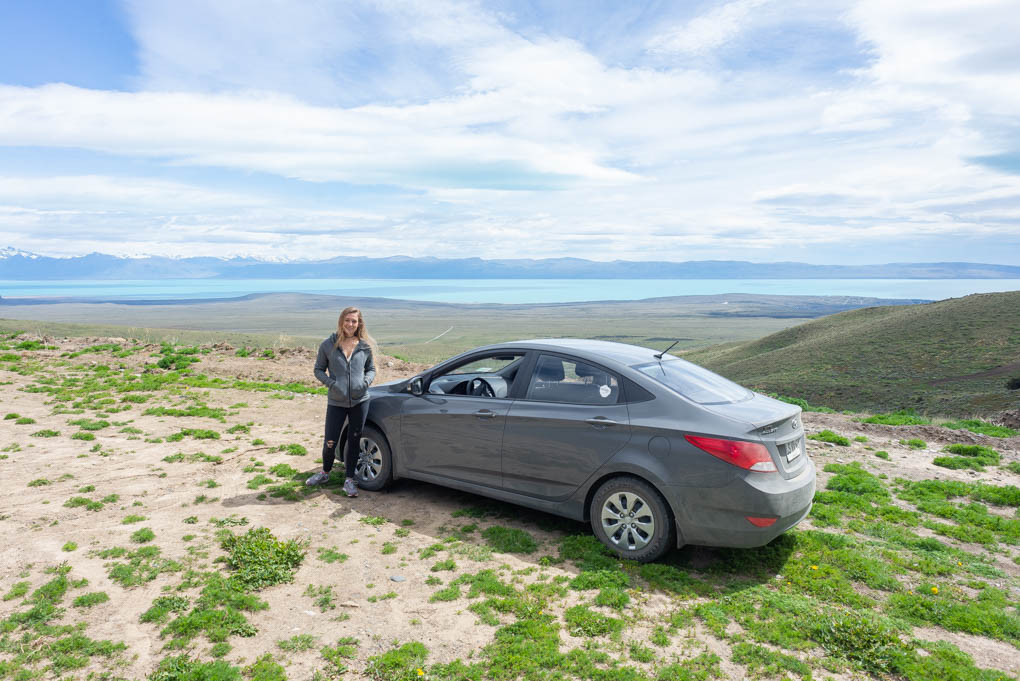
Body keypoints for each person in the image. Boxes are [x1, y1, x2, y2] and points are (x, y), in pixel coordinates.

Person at [306, 306, 376, 497]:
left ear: (359, 323)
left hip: (360, 401)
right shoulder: (328, 345)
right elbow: (318, 369)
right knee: (330, 440)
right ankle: (325, 473)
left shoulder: (364, 346)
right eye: (347, 320)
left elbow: (371, 369)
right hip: (336, 401)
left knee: (354, 441)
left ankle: (349, 480)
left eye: (354, 321)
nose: (350, 324)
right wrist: (332, 384)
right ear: (341, 321)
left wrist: (366, 381)